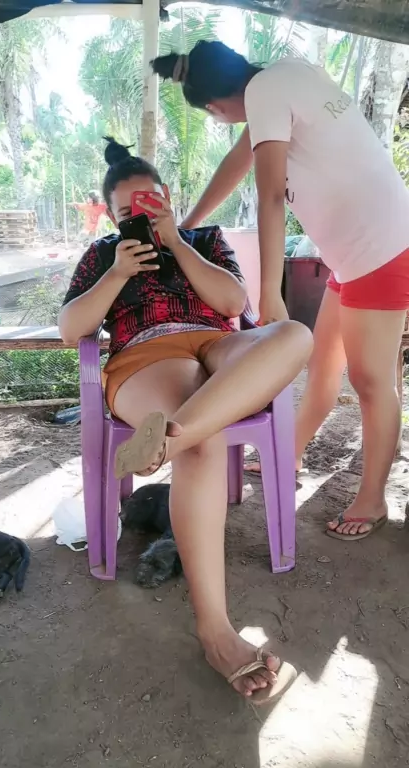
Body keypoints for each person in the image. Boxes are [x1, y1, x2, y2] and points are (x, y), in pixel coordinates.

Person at [59, 137, 312, 701]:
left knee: (295, 334)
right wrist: (117, 274)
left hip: (219, 346)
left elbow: (232, 305)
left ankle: (166, 442)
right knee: (205, 440)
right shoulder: (102, 256)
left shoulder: (204, 238)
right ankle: (215, 632)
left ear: (168, 197)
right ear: (112, 217)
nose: (141, 219)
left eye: (150, 205)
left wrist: (176, 240)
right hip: (147, 356)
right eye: (128, 213)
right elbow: (72, 329)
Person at [151, 42, 409, 541]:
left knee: (371, 381)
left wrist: (270, 292)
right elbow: (238, 164)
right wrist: (187, 225)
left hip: (381, 248)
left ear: (214, 106)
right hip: (356, 251)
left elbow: (270, 196)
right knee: (324, 365)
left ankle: (373, 498)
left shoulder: (266, 91)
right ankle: (289, 453)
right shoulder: (283, 76)